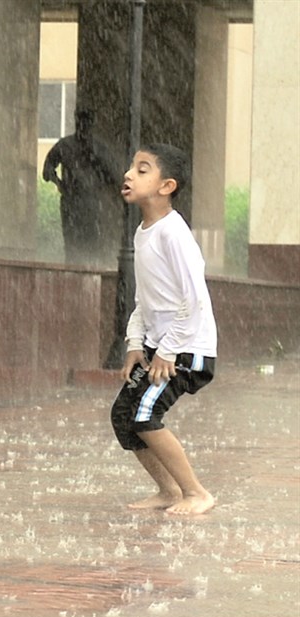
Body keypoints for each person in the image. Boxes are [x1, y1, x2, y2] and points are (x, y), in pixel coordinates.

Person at [111, 142, 217, 516]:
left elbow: (195, 300)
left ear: (166, 186)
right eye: (131, 167)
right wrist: (136, 343)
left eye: (142, 169)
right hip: (162, 347)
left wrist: (167, 351)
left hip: (188, 348)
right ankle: (169, 490)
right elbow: (146, 298)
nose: (129, 174)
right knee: (124, 416)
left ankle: (196, 493)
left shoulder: (174, 233)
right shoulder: (145, 232)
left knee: (143, 414)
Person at [42, 108, 118, 265]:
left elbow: (112, 176)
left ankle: (86, 269)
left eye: (86, 123)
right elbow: (47, 170)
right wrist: (59, 183)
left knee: (89, 243)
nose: (83, 126)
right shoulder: (66, 146)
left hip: (90, 202)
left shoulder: (96, 148)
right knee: (74, 243)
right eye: (81, 122)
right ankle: (76, 271)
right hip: (74, 201)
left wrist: (97, 162)